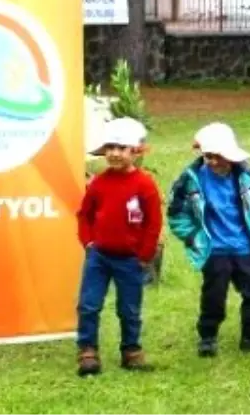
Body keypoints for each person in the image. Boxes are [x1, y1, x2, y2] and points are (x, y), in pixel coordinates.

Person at [168, 122, 250, 357]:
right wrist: (191, 236)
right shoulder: (191, 179)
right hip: (214, 248)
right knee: (213, 296)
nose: (215, 161)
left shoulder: (246, 176)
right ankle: (207, 337)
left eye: (220, 156)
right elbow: (177, 212)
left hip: (245, 247)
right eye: (209, 156)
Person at [75, 118, 161, 376]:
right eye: (109, 147)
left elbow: (153, 223)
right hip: (99, 256)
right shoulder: (99, 183)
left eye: (121, 148)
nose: (113, 153)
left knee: (129, 308)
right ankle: (88, 351)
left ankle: (131, 351)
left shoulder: (145, 185)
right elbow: (84, 214)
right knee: (89, 304)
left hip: (130, 260)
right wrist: (88, 242)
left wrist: (144, 255)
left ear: (135, 151)